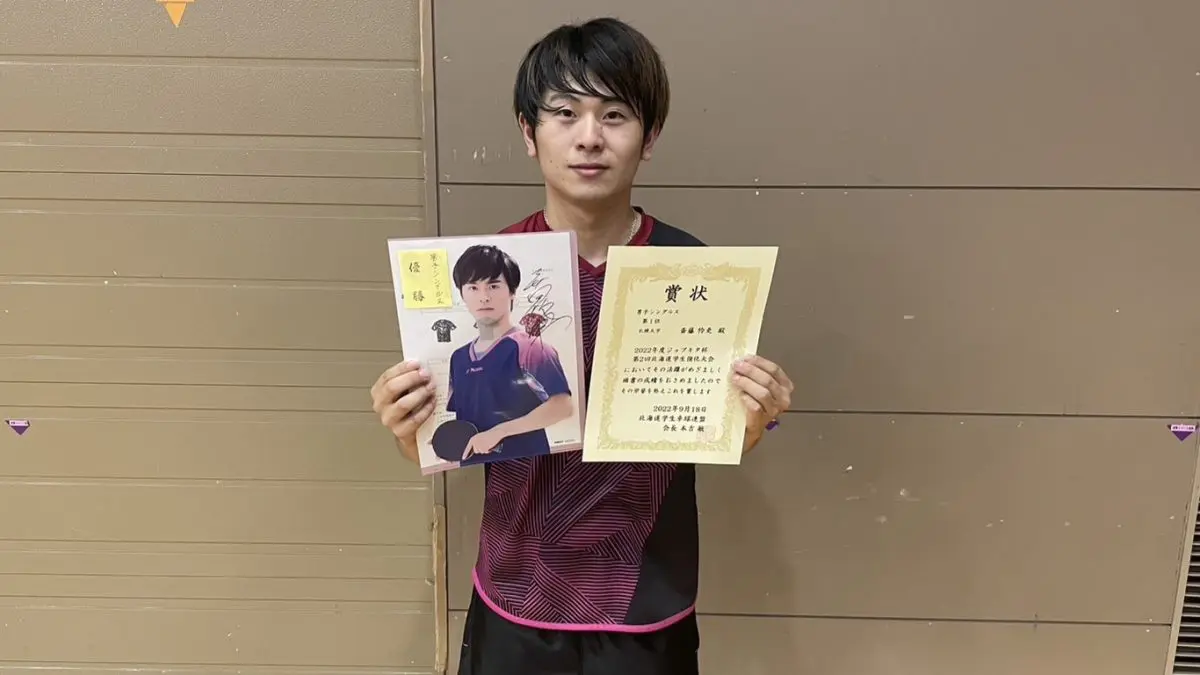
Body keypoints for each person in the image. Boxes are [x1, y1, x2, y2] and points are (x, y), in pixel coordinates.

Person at [369, 17, 795, 675]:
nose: (589, 136)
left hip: (645, 599)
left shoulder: (693, 271)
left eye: (614, 115)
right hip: (515, 596)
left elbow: (727, 434)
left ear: (649, 136)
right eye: (565, 113)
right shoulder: (489, 273)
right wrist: (407, 425)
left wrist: (755, 417)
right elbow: (441, 440)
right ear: (528, 132)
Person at [443, 244, 575, 465]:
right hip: (479, 471)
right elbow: (467, 417)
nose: (484, 297)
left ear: (512, 291)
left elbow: (563, 406)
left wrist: (499, 432)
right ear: (462, 294)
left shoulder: (532, 348)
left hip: (532, 469)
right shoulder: (458, 358)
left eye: (493, 286)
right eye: (473, 287)